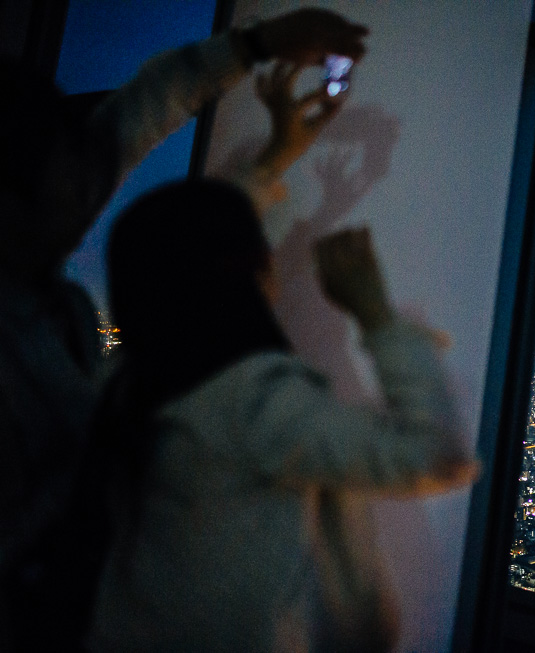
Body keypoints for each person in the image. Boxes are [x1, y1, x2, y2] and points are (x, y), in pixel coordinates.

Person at [0, 9, 368, 650]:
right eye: (68, 166)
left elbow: (147, 127)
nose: (90, 181)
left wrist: (275, 139)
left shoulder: (49, 307)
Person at [87, 60, 474, 652]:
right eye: (260, 246)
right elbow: (436, 455)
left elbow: (187, 249)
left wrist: (276, 153)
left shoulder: (126, 381)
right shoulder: (255, 403)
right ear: (248, 273)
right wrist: (377, 316)